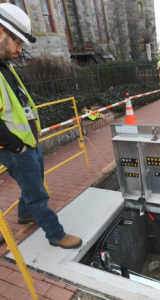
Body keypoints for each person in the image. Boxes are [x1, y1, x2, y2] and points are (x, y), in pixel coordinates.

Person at [0, 4, 82, 249]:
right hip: (17, 146)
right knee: (37, 192)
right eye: (17, 42)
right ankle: (55, 235)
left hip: (28, 141)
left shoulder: (4, 65)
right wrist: (18, 147)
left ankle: (25, 214)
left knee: (32, 180)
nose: (19, 49)